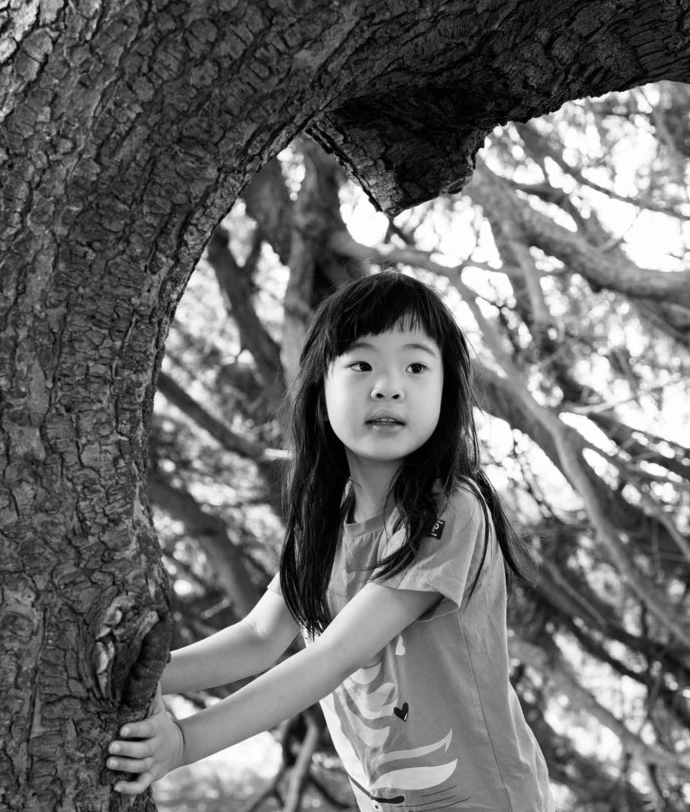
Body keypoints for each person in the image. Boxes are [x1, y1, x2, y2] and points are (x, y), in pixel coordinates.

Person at [106, 269, 552, 810]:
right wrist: (141, 671)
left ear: (446, 392)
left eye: (416, 366)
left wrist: (184, 743)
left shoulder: (452, 509)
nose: (389, 385)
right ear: (321, 390)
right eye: (362, 364)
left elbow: (336, 655)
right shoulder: (327, 519)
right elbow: (258, 637)